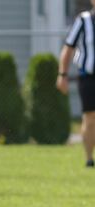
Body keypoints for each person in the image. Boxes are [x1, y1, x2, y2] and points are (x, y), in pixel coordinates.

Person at [57, 0, 95, 168]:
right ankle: (89, 158)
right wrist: (62, 74)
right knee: (90, 117)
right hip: (88, 76)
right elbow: (68, 48)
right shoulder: (83, 20)